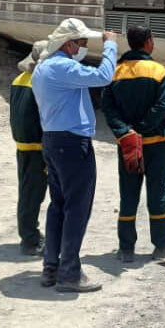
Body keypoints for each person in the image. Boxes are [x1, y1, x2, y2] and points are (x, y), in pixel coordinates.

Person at [31, 17, 118, 293]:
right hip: (72, 143)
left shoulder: (43, 68)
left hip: (53, 140)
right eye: (81, 42)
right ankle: (70, 272)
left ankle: (52, 267)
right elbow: (104, 76)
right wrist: (111, 47)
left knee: (58, 206)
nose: (84, 47)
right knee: (77, 208)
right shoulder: (63, 67)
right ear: (68, 44)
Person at [101, 26, 165, 264]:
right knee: (158, 192)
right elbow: (161, 108)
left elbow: (108, 108)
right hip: (155, 144)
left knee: (128, 194)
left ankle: (125, 249)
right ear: (148, 42)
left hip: (128, 145)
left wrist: (126, 132)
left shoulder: (115, 72)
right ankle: (162, 246)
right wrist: (141, 128)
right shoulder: (159, 71)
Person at [10, 41, 48, 256]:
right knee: (32, 193)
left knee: (27, 190)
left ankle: (29, 234)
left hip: (23, 144)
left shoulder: (20, 78)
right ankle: (30, 239)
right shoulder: (39, 82)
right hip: (36, 145)